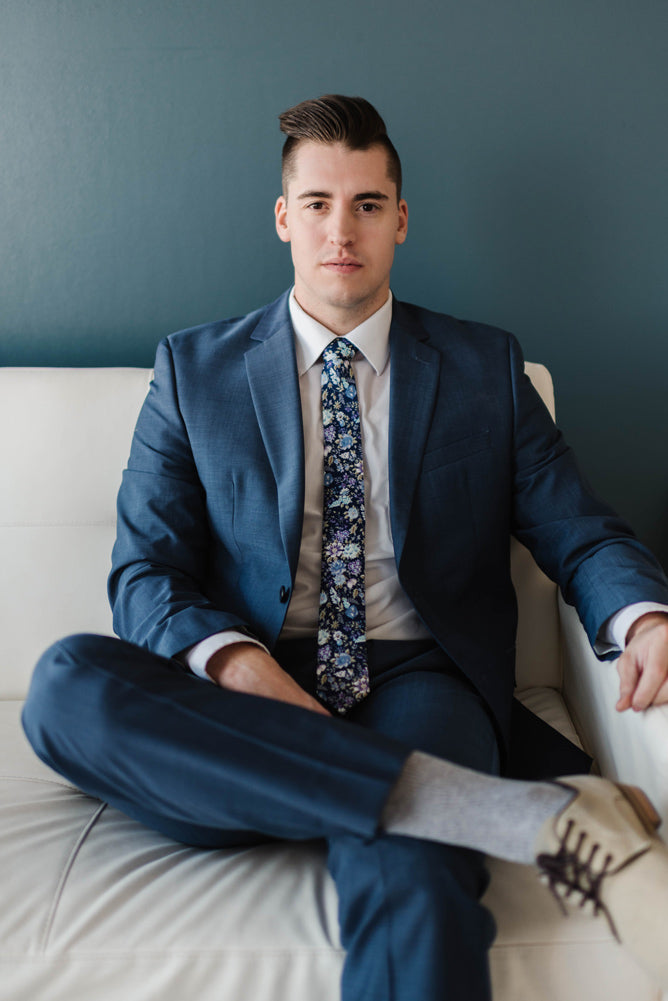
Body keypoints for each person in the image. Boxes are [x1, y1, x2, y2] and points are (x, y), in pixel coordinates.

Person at [22, 95, 668, 1001]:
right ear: (283, 217)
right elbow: (144, 573)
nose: (341, 230)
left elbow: (579, 528)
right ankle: (508, 813)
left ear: (399, 219)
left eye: (366, 204)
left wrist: (644, 618)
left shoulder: (485, 368)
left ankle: (405, 796)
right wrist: (242, 667)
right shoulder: (193, 371)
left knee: (416, 874)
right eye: (318, 203)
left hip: (420, 682)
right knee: (64, 685)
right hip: (248, 696)